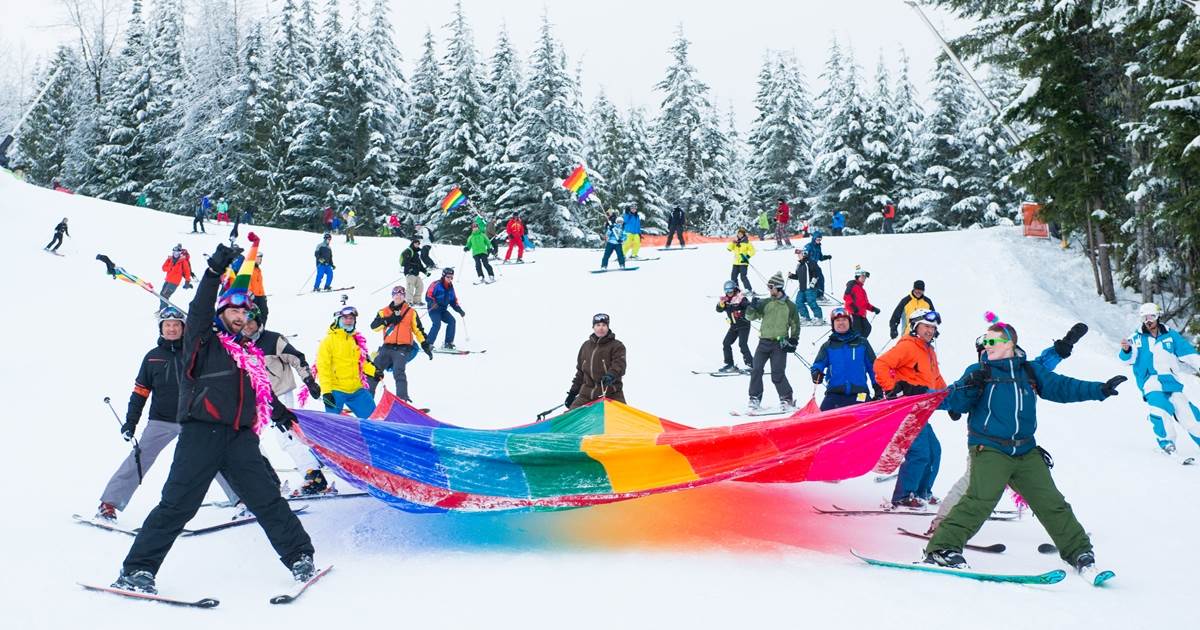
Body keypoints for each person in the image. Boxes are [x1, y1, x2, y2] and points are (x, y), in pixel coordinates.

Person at [112, 237, 315, 595]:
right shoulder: (202, 341)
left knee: (267, 498)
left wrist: (282, 415)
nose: (241, 316)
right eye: (234, 310)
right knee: (178, 504)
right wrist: (212, 271)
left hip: (240, 438)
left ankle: (300, 556)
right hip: (201, 435)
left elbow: (260, 394)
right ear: (222, 312)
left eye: (245, 312)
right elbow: (200, 308)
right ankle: (137, 570)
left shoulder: (249, 354)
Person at [924, 319, 1126, 577]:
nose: (986, 346)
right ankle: (941, 549)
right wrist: (923, 394)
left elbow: (1062, 386)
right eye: (984, 342)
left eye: (992, 341)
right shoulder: (980, 371)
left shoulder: (1029, 371)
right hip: (989, 449)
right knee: (980, 499)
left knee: (1051, 502)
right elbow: (953, 396)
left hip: (1025, 451)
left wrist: (1100, 389)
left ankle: (1079, 552)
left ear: (1009, 343)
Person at [929, 322, 1089, 534]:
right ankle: (942, 524)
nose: (987, 352)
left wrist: (1062, 347)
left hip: (1016, 448)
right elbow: (951, 396)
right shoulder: (978, 375)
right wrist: (949, 402)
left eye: (990, 345)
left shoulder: (1016, 371)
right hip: (987, 448)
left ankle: (1065, 531)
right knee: (970, 484)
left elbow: (1040, 366)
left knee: (1037, 488)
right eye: (983, 348)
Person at [95, 307, 239, 522]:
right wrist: (130, 423)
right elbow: (140, 393)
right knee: (140, 458)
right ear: (161, 328)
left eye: (176, 325)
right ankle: (109, 504)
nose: (172, 329)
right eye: (167, 325)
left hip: (194, 419)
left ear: (183, 328)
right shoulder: (152, 358)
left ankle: (243, 498)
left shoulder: (195, 352)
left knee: (213, 457)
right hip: (161, 420)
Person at [243, 306, 328, 495]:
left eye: (251, 322)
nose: (248, 326)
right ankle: (268, 481)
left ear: (258, 322)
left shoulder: (273, 339)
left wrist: (309, 380)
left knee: (286, 436)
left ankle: (314, 475)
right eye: (244, 322)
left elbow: (296, 358)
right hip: (256, 398)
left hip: (280, 393)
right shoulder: (239, 344)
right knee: (247, 438)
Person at [875, 309, 945, 507]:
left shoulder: (929, 352)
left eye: (933, 327)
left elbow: (937, 380)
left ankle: (922, 492)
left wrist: (950, 399)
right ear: (915, 326)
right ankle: (904, 496)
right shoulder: (908, 346)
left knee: (934, 451)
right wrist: (894, 388)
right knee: (919, 452)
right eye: (926, 326)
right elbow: (881, 364)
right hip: (907, 410)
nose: (930, 330)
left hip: (921, 411)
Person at [1120, 302, 1200, 454]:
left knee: (1188, 413)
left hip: (1171, 381)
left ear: (1157, 317)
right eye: (1144, 318)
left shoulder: (1170, 335)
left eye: (1151, 317)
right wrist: (1126, 350)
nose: (1148, 321)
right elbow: (1126, 360)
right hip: (1151, 381)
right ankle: (1166, 443)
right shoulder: (1135, 338)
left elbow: (1188, 353)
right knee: (1160, 408)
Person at [745, 272, 801, 412]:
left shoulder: (790, 306)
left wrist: (793, 340)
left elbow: (795, 324)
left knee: (777, 373)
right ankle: (754, 399)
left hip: (779, 344)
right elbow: (750, 317)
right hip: (763, 342)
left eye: (771, 287)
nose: (769, 290)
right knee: (756, 370)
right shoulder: (766, 303)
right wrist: (751, 307)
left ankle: (786, 399)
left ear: (778, 288)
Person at [811, 307, 882, 410]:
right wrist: (816, 372)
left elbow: (873, 367)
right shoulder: (828, 346)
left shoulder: (862, 343)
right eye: (837, 320)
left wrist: (877, 387)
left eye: (844, 320)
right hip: (834, 394)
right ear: (833, 324)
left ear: (850, 322)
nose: (841, 323)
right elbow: (818, 364)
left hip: (859, 394)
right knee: (823, 422)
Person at [371, 286, 433, 402]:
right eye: (396, 294)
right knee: (374, 371)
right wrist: (389, 319)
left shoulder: (411, 312)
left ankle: (402, 400)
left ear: (404, 296)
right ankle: (367, 400)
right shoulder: (383, 312)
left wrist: (425, 345)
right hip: (387, 347)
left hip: (402, 349)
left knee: (398, 371)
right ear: (392, 296)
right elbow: (374, 327)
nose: (398, 296)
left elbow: (418, 330)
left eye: (401, 294)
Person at [317, 305, 378, 418]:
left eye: (351, 319)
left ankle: (374, 435)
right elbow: (323, 367)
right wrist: (326, 392)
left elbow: (361, 361)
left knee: (374, 419)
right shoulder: (328, 341)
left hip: (356, 389)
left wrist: (374, 371)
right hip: (336, 390)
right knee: (333, 423)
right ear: (338, 320)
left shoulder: (354, 339)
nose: (349, 321)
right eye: (345, 318)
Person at [564, 313, 627, 409]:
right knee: (569, 419)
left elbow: (619, 365)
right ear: (593, 327)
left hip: (611, 393)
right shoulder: (586, 346)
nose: (601, 328)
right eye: (598, 325)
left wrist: (611, 375)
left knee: (622, 420)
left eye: (604, 325)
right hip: (586, 395)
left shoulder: (617, 346)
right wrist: (573, 393)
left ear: (607, 327)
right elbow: (580, 372)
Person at [716, 280, 754, 373]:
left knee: (742, 344)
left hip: (744, 325)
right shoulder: (726, 300)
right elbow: (718, 310)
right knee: (726, 343)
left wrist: (741, 313)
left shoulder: (741, 298)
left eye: (730, 291)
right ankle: (730, 364)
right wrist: (720, 305)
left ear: (734, 289)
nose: (729, 293)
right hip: (734, 326)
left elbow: (749, 308)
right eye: (727, 291)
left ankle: (753, 366)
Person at [425, 268, 466, 349]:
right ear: (443, 276)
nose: (450, 279)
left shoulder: (450, 287)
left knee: (452, 321)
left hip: (443, 310)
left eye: (452, 277)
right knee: (437, 324)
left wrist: (459, 310)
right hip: (434, 309)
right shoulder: (436, 284)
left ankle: (448, 343)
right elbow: (428, 295)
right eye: (448, 277)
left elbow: (453, 300)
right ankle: (428, 344)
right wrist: (432, 302)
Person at [843, 265, 880, 338]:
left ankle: (860, 343)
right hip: (853, 313)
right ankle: (854, 344)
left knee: (867, 328)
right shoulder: (852, 285)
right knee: (857, 330)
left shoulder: (862, 289)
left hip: (861, 314)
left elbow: (865, 304)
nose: (864, 279)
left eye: (865, 277)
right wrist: (853, 307)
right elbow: (846, 296)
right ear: (857, 277)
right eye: (862, 277)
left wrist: (873, 309)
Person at [787, 248, 822, 322]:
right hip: (802, 289)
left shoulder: (811, 263)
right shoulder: (799, 265)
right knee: (798, 302)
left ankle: (819, 317)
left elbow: (816, 274)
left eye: (799, 254)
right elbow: (798, 277)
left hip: (810, 288)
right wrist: (791, 276)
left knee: (811, 302)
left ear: (804, 254)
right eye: (797, 255)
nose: (798, 256)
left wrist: (813, 283)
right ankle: (805, 317)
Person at [159, 244, 194, 309]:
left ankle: (163, 310)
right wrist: (170, 267)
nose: (176, 254)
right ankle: (162, 309)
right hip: (167, 279)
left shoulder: (183, 261)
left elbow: (187, 272)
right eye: (174, 252)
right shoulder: (169, 259)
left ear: (180, 253)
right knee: (161, 294)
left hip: (175, 281)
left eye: (178, 252)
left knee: (165, 295)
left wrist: (187, 281)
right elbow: (163, 268)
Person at [400, 238, 430, 307]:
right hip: (410, 273)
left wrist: (425, 272)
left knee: (420, 286)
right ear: (413, 243)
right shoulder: (408, 251)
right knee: (410, 288)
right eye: (416, 243)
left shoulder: (416, 253)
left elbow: (420, 264)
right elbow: (405, 262)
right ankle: (409, 302)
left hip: (416, 273)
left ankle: (416, 301)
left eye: (418, 244)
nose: (417, 245)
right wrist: (409, 269)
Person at [803, 231, 831, 296]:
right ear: (814, 238)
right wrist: (808, 261)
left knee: (821, 279)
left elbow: (820, 258)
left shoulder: (818, 247)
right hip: (809, 266)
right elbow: (804, 256)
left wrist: (827, 257)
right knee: (813, 280)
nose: (819, 241)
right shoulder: (808, 246)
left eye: (820, 239)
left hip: (815, 265)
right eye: (817, 239)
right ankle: (811, 295)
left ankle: (819, 295)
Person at [727, 228, 755, 293]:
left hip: (743, 262)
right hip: (736, 262)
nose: (739, 235)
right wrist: (732, 242)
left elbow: (753, 251)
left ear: (743, 235)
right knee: (733, 277)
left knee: (743, 277)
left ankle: (748, 289)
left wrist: (747, 257)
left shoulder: (747, 242)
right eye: (738, 234)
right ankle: (736, 290)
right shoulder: (736, 242)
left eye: (741, 234)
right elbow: (729, 249)